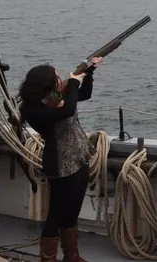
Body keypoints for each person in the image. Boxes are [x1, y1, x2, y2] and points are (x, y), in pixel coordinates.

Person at [19, 56, 103, 262]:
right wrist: (74, 81)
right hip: (61, 164)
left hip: (79, 158)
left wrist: (88, 73)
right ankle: (48, 259)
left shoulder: (54, 97)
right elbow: (69, 110)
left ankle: (72, 257)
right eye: (56, 76)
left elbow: (83, 95)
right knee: (56, 216)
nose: (60, 78)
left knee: (72, 212)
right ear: (47, 84)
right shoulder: (34, 110)